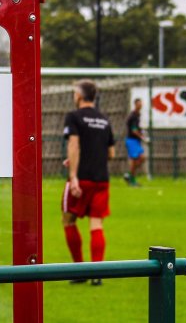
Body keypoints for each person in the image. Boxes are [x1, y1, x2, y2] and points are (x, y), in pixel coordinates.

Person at [61, 80, 115, 286]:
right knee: (96, 224)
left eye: (75, 93)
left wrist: (73, 175)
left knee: (68, 220)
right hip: (102, 179)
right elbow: (111, 153)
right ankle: (97, 273)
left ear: (80, 96)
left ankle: (79, 270)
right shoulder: (104, 119)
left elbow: (74, 144)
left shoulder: (73, 117)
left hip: (81, 178)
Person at [123, 98, 146, 187]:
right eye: (138, 104)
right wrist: (143, 137)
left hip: (135, 141)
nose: (140, 105)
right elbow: (134, 130)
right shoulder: (133, 116)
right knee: (137, 159)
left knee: (140, 159)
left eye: (141, 104)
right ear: (135, 105)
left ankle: (129, 176)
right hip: (132, 141)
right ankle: (131, 179)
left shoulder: (138, 115)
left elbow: (137, 128)